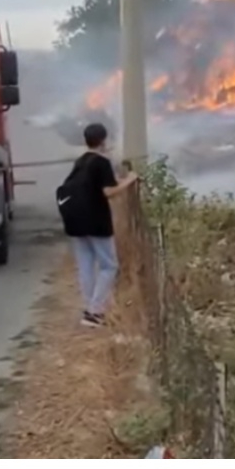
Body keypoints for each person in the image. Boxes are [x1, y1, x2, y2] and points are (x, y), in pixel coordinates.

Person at [55, 122, 133, 329]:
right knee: (109, 266)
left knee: (86, 265)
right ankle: (95, 312)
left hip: (75, 222)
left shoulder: (81, 161)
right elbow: (109, 191)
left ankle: (90, 308)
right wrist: (130, 181)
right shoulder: (101, 162)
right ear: (104, 141)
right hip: (95, 220)